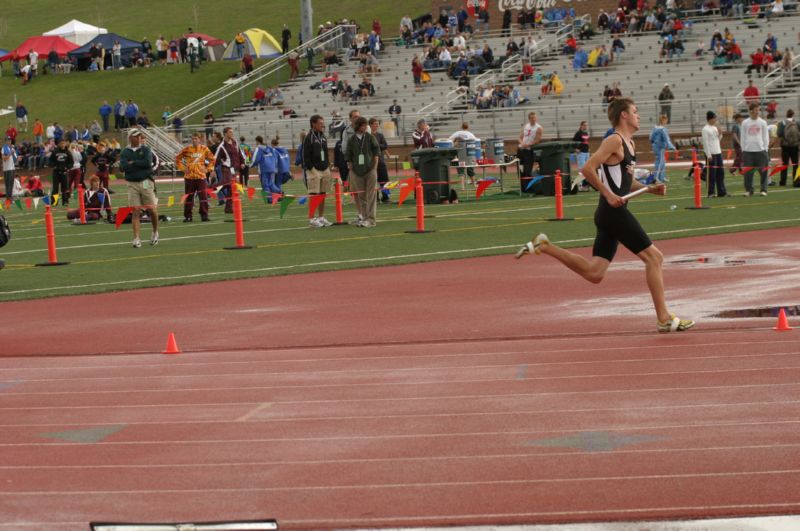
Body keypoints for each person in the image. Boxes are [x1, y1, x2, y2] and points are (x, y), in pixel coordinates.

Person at [516, 97, 694, 334]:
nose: (638, 115)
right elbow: (587, 168)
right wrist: (609, 195)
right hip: (612, 212)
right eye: (635, 111)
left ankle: (545, 245)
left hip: (610, 213)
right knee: (654, 258)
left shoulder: (629, 145)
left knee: (594, 273)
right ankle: (663, 317)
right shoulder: (614, 140)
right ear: (624, 115)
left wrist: (649, 189)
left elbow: (626, 181)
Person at [120, 129, 158, 247]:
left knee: (151, 209)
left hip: (146, 181)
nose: (138, 138)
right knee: (135, 210)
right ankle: (136, 238)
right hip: (132, 183)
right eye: (135, 136)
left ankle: (155, 232)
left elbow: (147, 163)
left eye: (139, 136)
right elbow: (123, 167)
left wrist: (133, 163)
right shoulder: (125, 152)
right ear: (130, 137)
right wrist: (136, 164)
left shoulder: (146, 149)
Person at [345, 116, 380, 227]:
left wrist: (374, 168)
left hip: (370, 170)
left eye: (366, 125)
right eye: (364, 125)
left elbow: (376, 153)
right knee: (361, 196)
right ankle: (364, 217)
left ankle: (371, 219)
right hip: (356, 171)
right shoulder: (351, 140)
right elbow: (349, 157)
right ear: (358, 126)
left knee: (371, 195)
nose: (366, 127)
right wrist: (351, 169)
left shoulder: (370, 138)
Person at [303, 115, 334, 227]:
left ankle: (321, 217)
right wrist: (311, 168)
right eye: (320, 123)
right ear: (313, 124)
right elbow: (305, 156)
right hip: (314, 169)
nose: (323, 125)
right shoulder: (309, 137)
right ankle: (312, 218)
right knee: (313, 194)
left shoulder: (323, 136)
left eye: (323, 122)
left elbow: (325, 152)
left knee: (322, 193)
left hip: (324, 168)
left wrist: (327, 165)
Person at [175, 133, 215, 222]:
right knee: (189, 197)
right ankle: (188, 216)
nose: (194, 140)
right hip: (189, 177)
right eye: (193, 139)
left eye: (196, 139)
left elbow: (212, 159)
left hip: (201, 177)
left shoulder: (204, 149)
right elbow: (177, 158)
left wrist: (208, 169)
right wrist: (183, 169)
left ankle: (204, 215)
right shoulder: (187, 149)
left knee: (203, 197)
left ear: (199, 139)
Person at [741, 103, 770, 196]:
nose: (757, 112)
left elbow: (766, 137)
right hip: (748, 151)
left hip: (761, 151)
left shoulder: (763, 122)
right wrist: (743, 149)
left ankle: (763, 190)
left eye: (758, 110)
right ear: (750, 111)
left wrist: (765, 148)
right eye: (755, 110)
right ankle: (749, 190)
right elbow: (743, 137)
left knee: (763, 171)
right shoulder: (745, 123)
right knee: (748, 173)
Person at [214, 127, 244, 214]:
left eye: (232, 132)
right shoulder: (222, 145)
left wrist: (242, 162)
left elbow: (240, 153)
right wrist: (212, 170)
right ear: (225, 134)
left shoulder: (235, 142)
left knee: (231, 188)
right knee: (227, 183)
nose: (232, 133)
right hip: (226, 168)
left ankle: (228, 208)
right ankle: (211, 188)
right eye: (230, 132)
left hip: (233, 169)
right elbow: (215, 158)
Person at [701, 111, 727, 197]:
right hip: (711, 154)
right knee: (711, 174)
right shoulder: (705, 129)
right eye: (714, 118)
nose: (716, 119)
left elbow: (717, 139)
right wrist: (708, 155)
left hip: (718, 152)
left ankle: (721, 191)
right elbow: (705, 143)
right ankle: (711, 192)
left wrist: (720, 134)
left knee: (720, 173)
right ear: (710, 118)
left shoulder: (715, 128)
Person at [649, 115, 676, 184]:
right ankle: (656, 178)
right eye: (666, 120)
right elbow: (667, 139)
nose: (666, 121)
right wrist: (671, 147)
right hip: (660, 147)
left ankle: (662, 177)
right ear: (664, 120)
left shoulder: (654, 128)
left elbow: (651, 138)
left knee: (662, 162)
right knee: (660, 162)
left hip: (656, 146)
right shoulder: (663, 129)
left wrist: (653, 143)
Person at [369, 118, 390, 203]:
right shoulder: (367, 135)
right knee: (373, 180)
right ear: (370, 125)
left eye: (377, 124)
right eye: (375, 124)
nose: (376, 125)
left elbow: (385, 145)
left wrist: (376, 145)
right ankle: (376, 198)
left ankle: (385, 197)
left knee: (384, 180)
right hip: (371, 161)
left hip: (381, 161)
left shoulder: (380, 135)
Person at [776, 109, 799, 187]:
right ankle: (796, 181)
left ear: (786, 114)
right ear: (793, 115)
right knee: (795, 164)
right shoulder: (797, 123)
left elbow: (779, 134)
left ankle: (783, 182)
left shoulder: (782, 123)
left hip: (785, 146)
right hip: (795, 146)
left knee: (784, 164)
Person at [518, 111, 542, 181]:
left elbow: (537, 140)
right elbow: (519, 137)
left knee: (527, 169)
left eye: (535, 118)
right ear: (529, 119)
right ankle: (522, 184)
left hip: (529, 150)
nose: (534, 119)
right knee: (520, 167)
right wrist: (522, 143)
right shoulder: (526, 126)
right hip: (521, 150)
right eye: (532, 118)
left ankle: (528, 184)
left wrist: (527, 145)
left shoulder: (538, 128)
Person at [49, 139, 72, 205]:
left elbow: (71, 162)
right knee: (55, 188)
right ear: (59, 144)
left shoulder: (68, 152)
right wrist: (54, 166)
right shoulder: (55, 151)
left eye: (63, 143)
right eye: (61, 143)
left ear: (65, 144)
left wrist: (67, 168)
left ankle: (65, 202)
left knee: (65, 188)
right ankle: (54, 202)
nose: (62, 145)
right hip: (56, 172)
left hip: (64, 172)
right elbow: (50, 161)